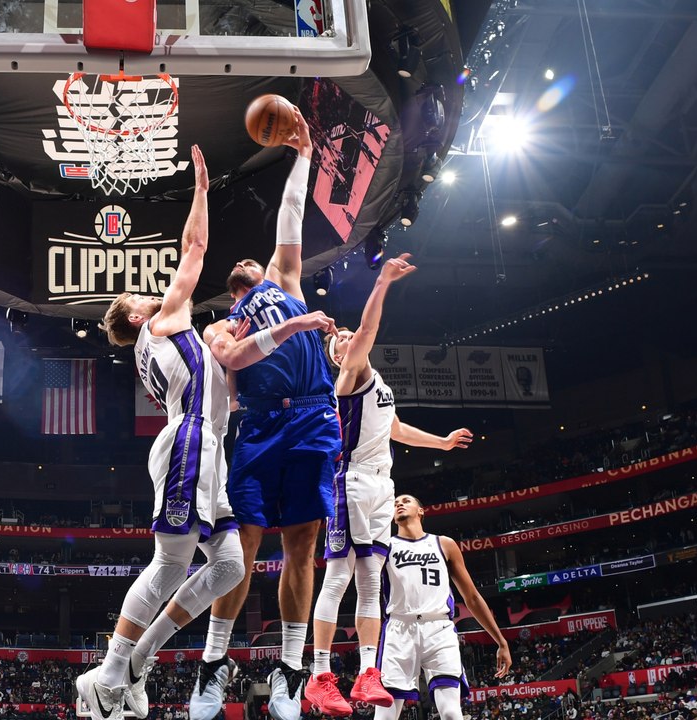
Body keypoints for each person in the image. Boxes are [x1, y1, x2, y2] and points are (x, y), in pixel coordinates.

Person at [93, 146, 334, 720]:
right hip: (195, 440)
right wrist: (200, 188)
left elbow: (287, 229)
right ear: (133, 318)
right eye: (138, 297)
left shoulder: (180, 337)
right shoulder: (166, 322)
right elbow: (194, 250)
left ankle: (140, 659)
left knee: (227, 565)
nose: (153, 290)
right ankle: (108, 674)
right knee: (171, 564)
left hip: (224, 441)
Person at [194, 108, 342, 720]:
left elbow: (291, 216)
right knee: (241, 548)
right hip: (257, 426)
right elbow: (236, 353)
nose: (253, 266)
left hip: (311, 417)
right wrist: (296, 324)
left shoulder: (285, 279)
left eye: (257, 264)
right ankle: (213, 666)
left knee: (303, 546)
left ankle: (289, 671)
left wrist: (302, 155)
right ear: (234, 288)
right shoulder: (223, 323)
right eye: (244, 273)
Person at [303, 254, 473, 714]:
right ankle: (319, 674)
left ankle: (365, 673)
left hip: (381, 483)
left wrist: (440, 442)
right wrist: (381, 282)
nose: (346, 340)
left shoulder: (374, 381)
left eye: (346, 338)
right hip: (352, 481)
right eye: (340, 341)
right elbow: (367, 331)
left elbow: (394, 427)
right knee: (339, 576)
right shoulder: (351, 371)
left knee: (370, 578)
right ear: (338, 355)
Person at [372, 495, 509, 720]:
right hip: (399, 629)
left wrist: (501, 641)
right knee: (385, 716)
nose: (399, 504)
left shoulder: (444, 543)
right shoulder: (385, 546)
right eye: (395, 503)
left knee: (451, 713)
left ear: (421, 510)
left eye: (405, 500)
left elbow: (472, 597)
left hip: (439, 628)